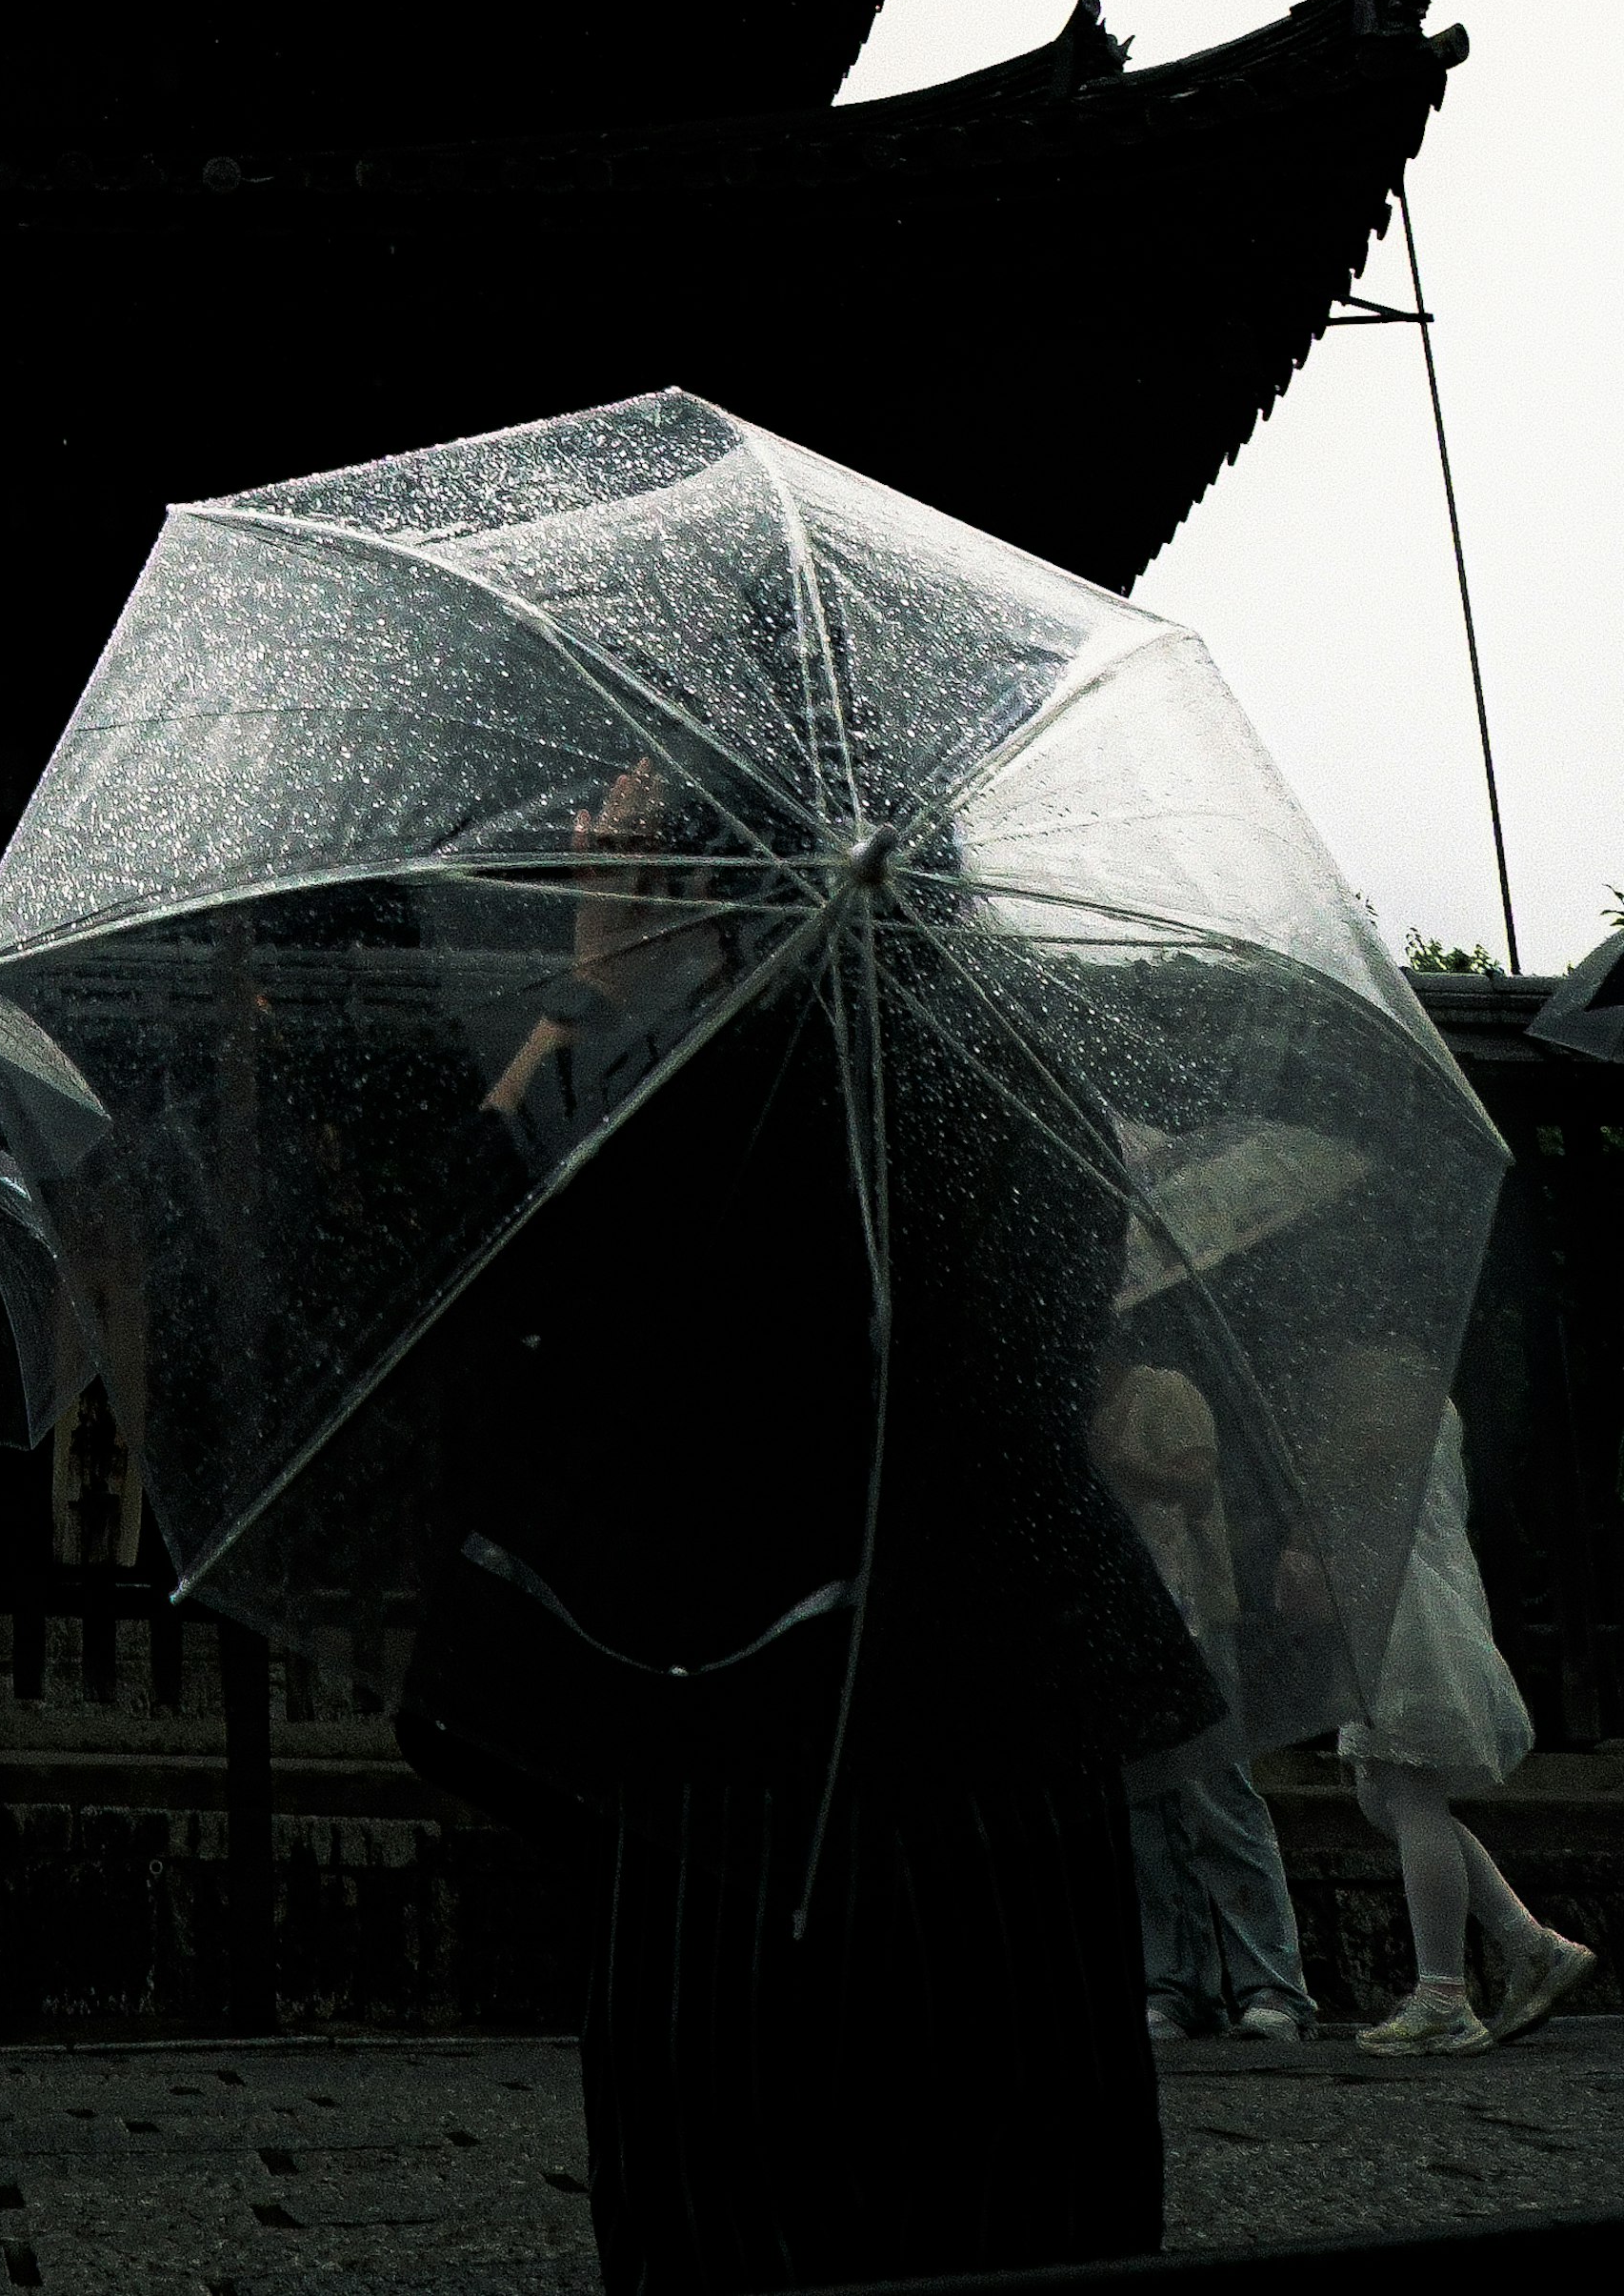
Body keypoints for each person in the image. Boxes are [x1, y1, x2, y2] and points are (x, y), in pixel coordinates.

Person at [387, 753, 1214, 2296]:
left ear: (720, 869)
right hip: (1013, 1714)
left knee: (727, 2191)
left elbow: (467, 1290)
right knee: (1028, 2198)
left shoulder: (699, 1093)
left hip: (738, 1716)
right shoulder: (1017, 1067)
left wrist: (586, 991)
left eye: (619, 821)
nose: (581, 835)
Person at [1324, 1372, 1598, 2054]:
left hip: (1407, 1610)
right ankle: (1528, 1942)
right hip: (1406, 1601)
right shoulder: (1417, 1388)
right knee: (1382, 1796)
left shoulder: (1386, 1394)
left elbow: (1359, 1491)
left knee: (1407, 1793)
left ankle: (1443, 1993)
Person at [1088, 1350, 1313, 2043]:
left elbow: (1198, 1486)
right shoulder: (1073, 1407)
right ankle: (1175, 1982)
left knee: (1216, 1794)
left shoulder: (1165, 1390)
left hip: (1190, 1617)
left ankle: (1271, 1981)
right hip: (1118, 1619)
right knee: (1145, 1803)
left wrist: (1120, 1467)